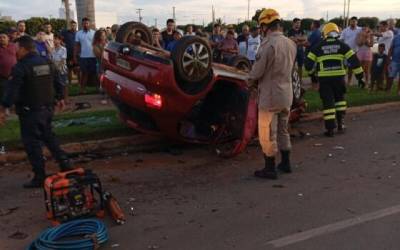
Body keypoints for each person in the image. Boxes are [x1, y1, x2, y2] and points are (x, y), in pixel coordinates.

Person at [0, 36, 72, 188]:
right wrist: (60, 97)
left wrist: (4, 107)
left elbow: (12, 90)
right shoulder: (47, 62)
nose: (15, 52)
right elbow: (58, 81)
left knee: (32, 144)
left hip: (30, 112)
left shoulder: (21, 67)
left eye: (16, 49)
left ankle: (40, 176)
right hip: (47, 109)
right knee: (49, 138)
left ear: (24, 49)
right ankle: (66, 165)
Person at [248, 8, 296, 180]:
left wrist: (249, 81)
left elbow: (257, 72)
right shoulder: (291, 43)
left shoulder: (268, 44)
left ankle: (269, 168)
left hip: (270, 96)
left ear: (264, 26)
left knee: (267, 132)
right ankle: (286, 163)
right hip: (286, 95)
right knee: (283, 130)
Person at [305, 23, 364, 137]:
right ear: (337, 33)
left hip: (324, 80)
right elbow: (354, 62)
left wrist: (312, 75)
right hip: (339, 79)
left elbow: (308, 65)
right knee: (340, 101)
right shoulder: (343, 46)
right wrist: (360, 78)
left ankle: (330, 129)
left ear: (325, 33)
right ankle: (341, 124)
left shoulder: (318, 46)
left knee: (328, 103)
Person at [74, 17, 96, 94]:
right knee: (84, 74)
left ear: (89, 24)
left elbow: (97, 44)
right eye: (84, 23)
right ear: (82, 24)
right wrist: (75, 56)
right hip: (83, 57)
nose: (85, 25)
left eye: (87, 23)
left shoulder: (94, 33)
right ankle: (82, 89)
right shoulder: (78, 33)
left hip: (94, 56)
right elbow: (76, 45)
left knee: (95, 73)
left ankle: (98, 89)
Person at [340, 16, 362, 85]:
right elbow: (341, 40)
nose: (353, 22)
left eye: (354, 21)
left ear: (357, 22)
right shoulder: (345, 30)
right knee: (344, 67)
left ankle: (349, 81)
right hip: (345, 52)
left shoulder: (360, 30)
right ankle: (342, 81)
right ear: (350, 22)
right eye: (352, 21)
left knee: (351, 68)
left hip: (355, 52)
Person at [50, 34, 68, 101]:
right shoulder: (52, 49)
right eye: (54, 39)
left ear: (60, 40)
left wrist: (57, 67)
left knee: (64, 84)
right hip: (54, 69)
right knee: (56, 85)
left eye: (57, 39)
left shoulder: (63, 49)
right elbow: (51, 59)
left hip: (62, 69)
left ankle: (66, 98)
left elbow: (62, 60)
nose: (55, 41)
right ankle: (59, 99)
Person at [288, 18, 307, 83]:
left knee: (300, 66)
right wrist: (301, 40)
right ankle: (292, 79)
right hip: (293, 50)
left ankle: (300, 80)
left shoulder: (302, 30)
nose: (299, 24)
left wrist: (298, 40)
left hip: (300, 51)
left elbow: (305, 39)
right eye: (298, 23)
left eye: (300, 23)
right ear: (294, 23)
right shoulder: (290, 31)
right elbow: (292, 39)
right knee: (292, 65)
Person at [305, 20, 322, 89]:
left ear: (314, 25)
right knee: (314, 69)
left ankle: (315, 86)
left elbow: (308, 43)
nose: (310, 25)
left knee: (311, 69)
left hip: (313, 54)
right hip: (315, 53)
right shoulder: (318, 32)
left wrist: (299, 43)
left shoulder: (315, 33)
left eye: (311, 24)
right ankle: (315, 84)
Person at [0, 33, 17, 99]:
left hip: (14, 75)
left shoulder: (13, 46)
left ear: (8, 38)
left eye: (4, 37)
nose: (1, 39)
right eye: (0, 37)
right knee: (3, 94)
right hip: (2, 77)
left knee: (15, 93)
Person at [61, 20, 78, 85]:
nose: (73, 26)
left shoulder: (78, 33)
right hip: (68, 54)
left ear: (76, 26)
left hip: (76, 55)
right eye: (72, 25)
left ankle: (79, 83)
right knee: (69, 69)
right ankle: (70, 83)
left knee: (77, 69)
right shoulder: (65, 32)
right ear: (69, 26)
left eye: (74, 25)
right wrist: (63, 44)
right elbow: (61, 40)